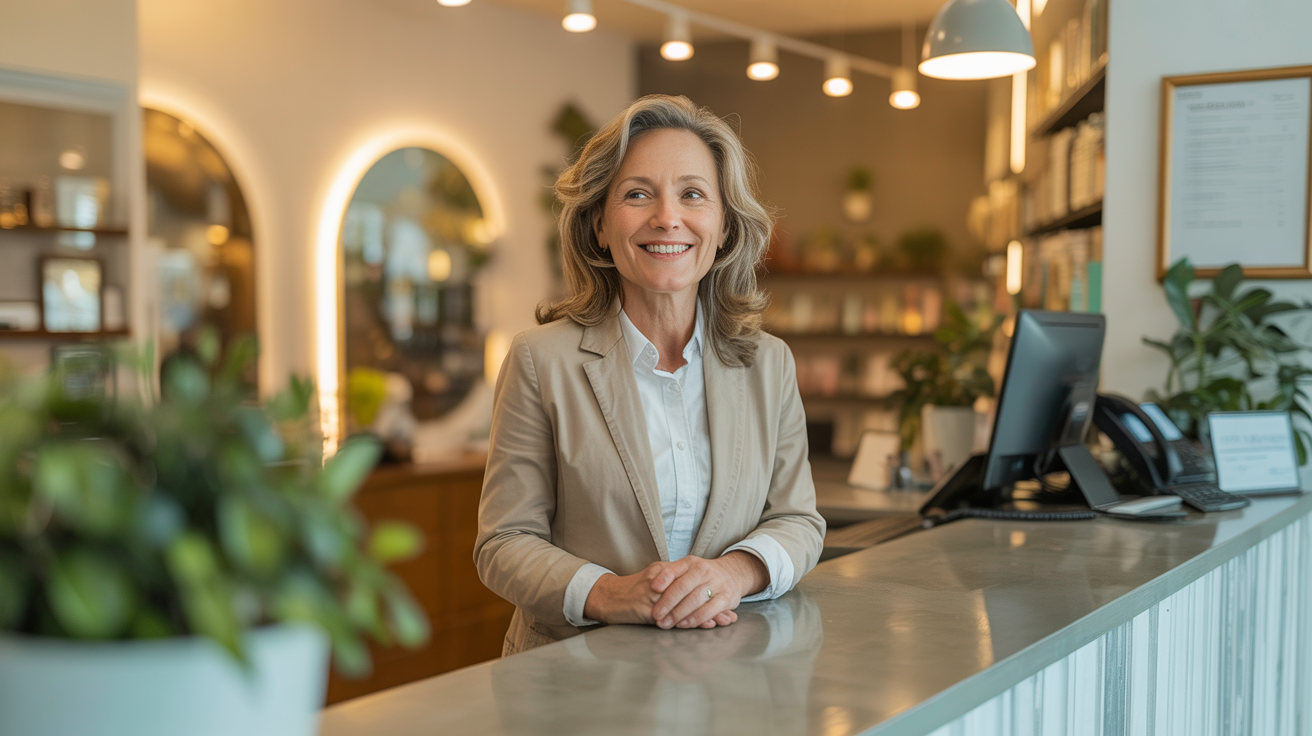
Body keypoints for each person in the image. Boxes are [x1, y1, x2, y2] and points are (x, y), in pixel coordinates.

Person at [475, 94, 824, 655]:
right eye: (638, 194)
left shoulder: (769, 362)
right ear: (599, 227)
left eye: (693, 194)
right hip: (575, 687)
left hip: (730, 679)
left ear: (725, 225)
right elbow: (504, 542)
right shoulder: (541, 361)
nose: (668, 217)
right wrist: (611, 593)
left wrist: (735, 573)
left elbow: (798, 521)